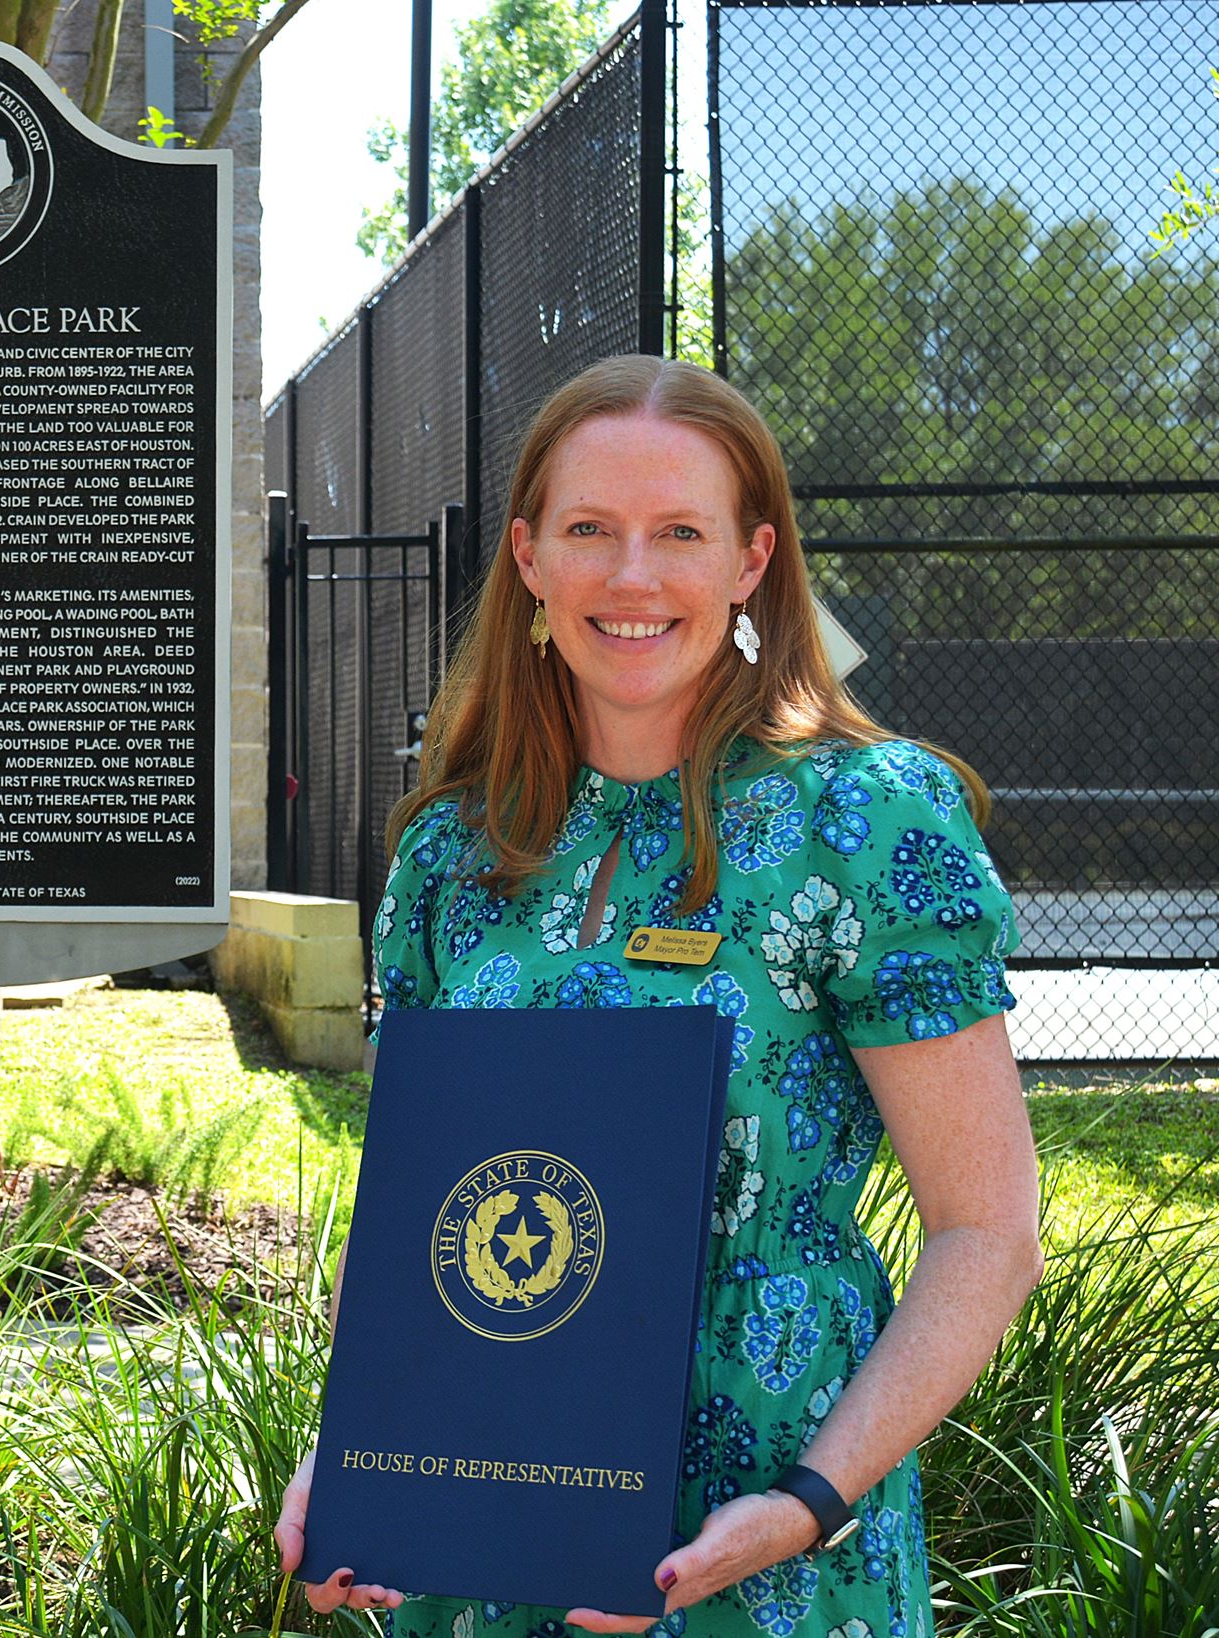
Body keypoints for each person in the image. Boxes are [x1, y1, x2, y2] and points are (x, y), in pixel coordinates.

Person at [271, 355, 1043, 1636]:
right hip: (484, 1531)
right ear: (527, 558)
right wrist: (352, 1463)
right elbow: (415, 1218)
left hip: (764, 1529)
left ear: (749, 561)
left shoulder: (862, 820)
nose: (631, 579)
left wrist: (807, 1501)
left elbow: (986, 1233)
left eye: (676, 533)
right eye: (589, 531)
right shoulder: (449, 854)